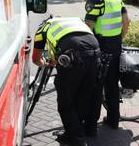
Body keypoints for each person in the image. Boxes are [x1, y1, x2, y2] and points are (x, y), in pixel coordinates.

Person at [32, 16, 101, 146]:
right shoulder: (76, 20)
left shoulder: (43, 28)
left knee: (65, 99)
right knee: (84, 95)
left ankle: (77, 138)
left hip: (73, 55)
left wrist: (45, 62)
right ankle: (79, 131)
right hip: (95, 51)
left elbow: (36, 59)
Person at [80, 0, 130, 130]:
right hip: (115, 45)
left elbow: (88, 26)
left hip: (101, 47)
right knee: (112, 85)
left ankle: (91, 126)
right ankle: (114, 120)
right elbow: (127, 21)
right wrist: (119, 39)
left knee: (96, 86)